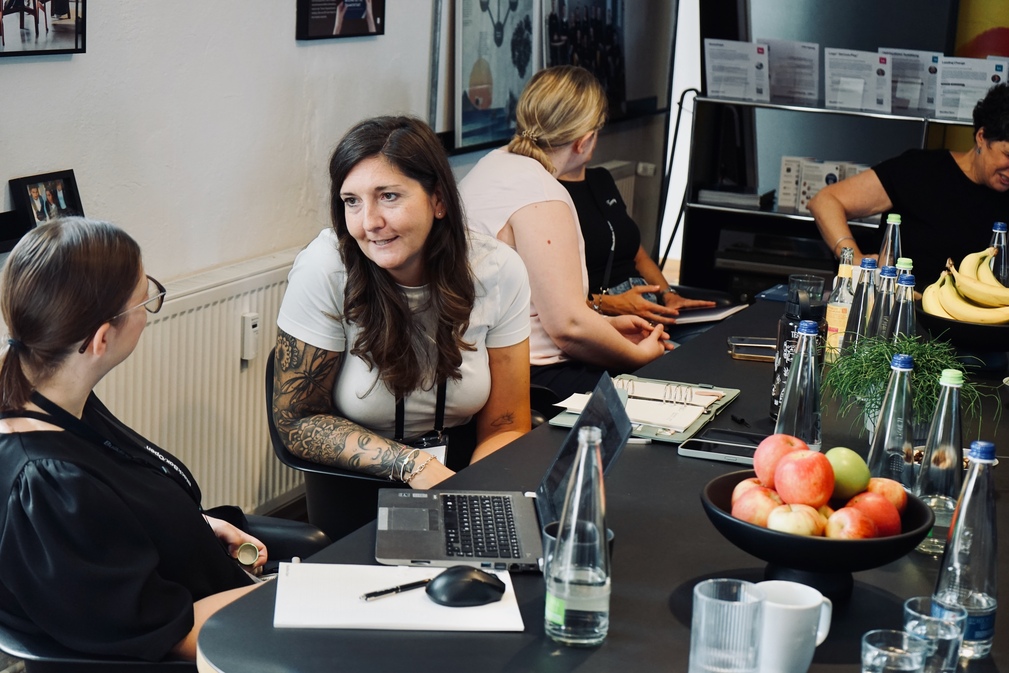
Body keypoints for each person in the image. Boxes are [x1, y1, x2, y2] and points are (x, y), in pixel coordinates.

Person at [0, 218, 265, 662]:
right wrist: (295, 599)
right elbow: (170, 636)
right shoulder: (48, 483)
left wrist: (193, 528)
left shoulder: (50, 399)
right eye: (146, 299)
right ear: (102, 337)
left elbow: (110, 517)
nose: (147, 312)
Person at [273, 116, 531, 490]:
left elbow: (505, 424)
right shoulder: (325, 267)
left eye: (388, 196)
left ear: (438, 200)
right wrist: (413, 465)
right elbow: (296, 420)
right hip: (355, 480)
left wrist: (477, 494)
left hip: (461, 469)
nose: (369, 222)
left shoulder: (497, 269)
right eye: (352, 202)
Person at [459, 65, 673, 399]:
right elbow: (568, 328)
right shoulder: (543, 193)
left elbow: (553, 311)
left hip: (484, 360)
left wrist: (606, 327)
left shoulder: (493, 164)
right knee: (666, 391)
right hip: (534, 375)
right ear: (585, 140)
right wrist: (638, 356)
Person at [809, 82, 1009, 286]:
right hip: (900, 307)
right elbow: (825, 200)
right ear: (982, 137)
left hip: (978, 316)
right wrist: (853, 256)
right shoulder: (921, 170)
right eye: (1007, 155)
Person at [557, 159, 715, 330]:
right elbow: (559, 300)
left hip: (648, 309)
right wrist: (612, 304)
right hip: (605, 320)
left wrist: (669, 295)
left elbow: (639, 256)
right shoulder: (551, 194)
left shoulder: (600, 178)